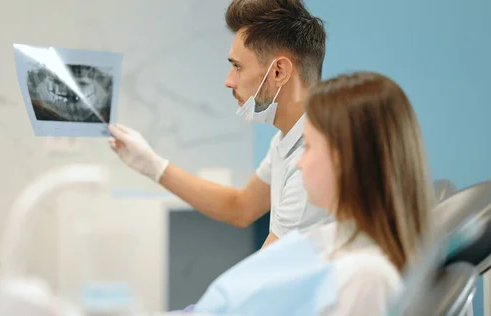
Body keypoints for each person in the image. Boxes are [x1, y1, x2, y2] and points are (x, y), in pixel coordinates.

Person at [185, 71, 435, 315]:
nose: (298, 163)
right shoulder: (336, 241)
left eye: (309, 146)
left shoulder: (366, 278)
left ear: (346, 159)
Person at [108, 0, 332, 248]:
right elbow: (241, 206)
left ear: (278, 71)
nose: (229, 81)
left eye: (237, 66)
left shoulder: (312, 162)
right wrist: (153, 165)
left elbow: (266, 275)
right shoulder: (287, 140)